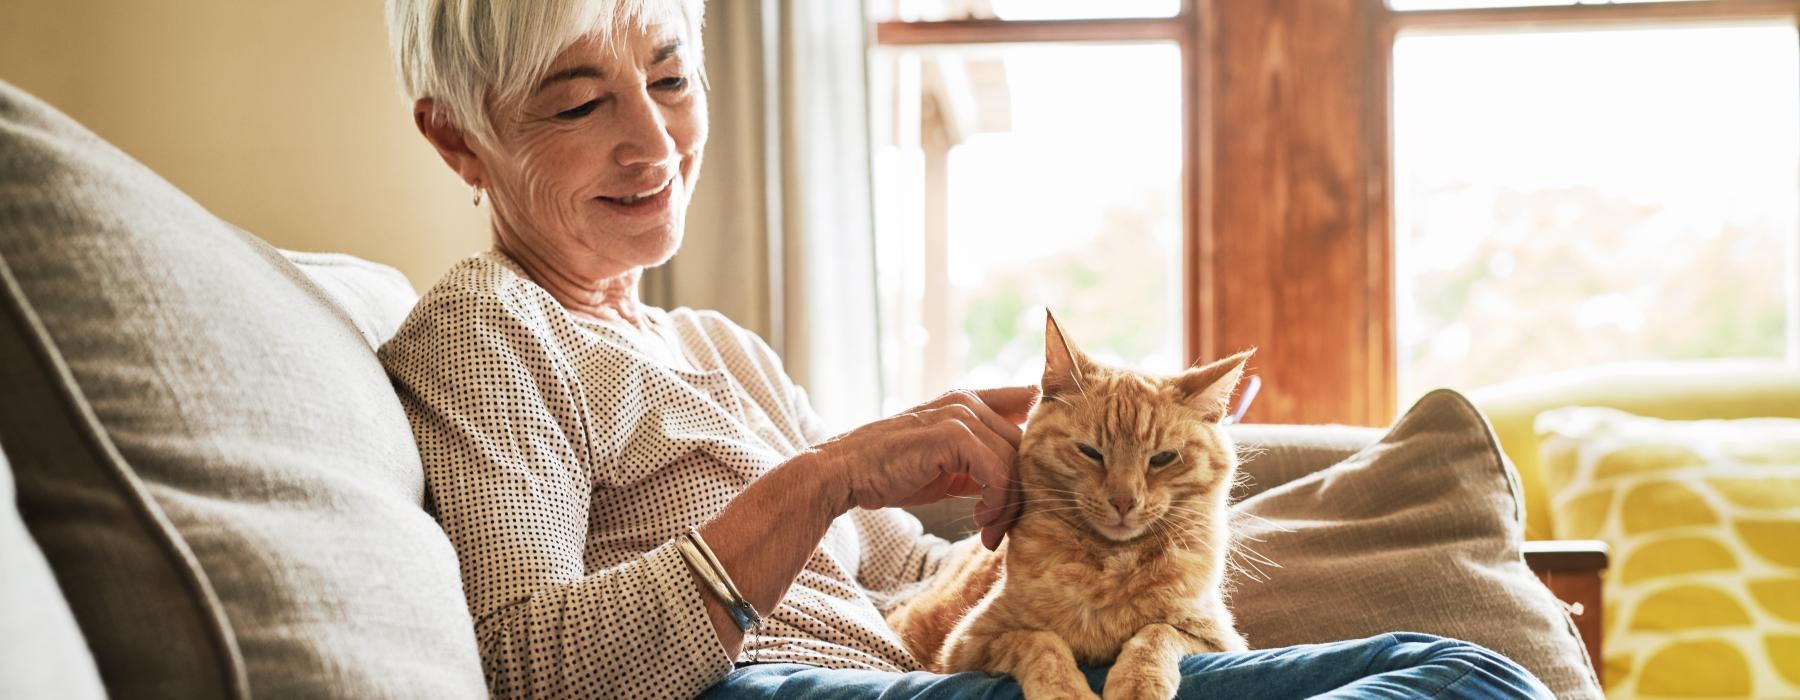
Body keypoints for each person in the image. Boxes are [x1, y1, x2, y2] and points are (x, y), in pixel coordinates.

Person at [377, 1, 1556, 698]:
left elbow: (900, 582)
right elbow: (528, 669)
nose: (653, 142)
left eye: (671, 80)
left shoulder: (713, 345)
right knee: (1464, 685)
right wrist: (831, 469)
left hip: (913, 675)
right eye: (580, 104)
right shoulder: (488, 327)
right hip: (766, 693)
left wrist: (1036, 493)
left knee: (1460, 670)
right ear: (456, 140)